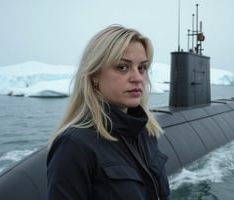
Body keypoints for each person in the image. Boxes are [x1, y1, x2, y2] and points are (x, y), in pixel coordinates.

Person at [46, 25, 170, 200]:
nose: (137, 78)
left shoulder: (146, 133)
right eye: (122, 67)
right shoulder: (74, 146)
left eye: (142, 68)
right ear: (94, 75)